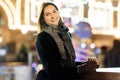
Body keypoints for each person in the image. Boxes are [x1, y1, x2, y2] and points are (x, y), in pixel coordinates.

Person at [35, 2, 98, 80]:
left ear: (58, 12)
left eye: (54, 11)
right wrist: (81, 69)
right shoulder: (43, 37)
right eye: (48, 14)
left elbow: (68, 64)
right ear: (43, 19)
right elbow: (53, 71)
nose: (52, 16)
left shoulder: (65, 34)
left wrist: (86, 65)